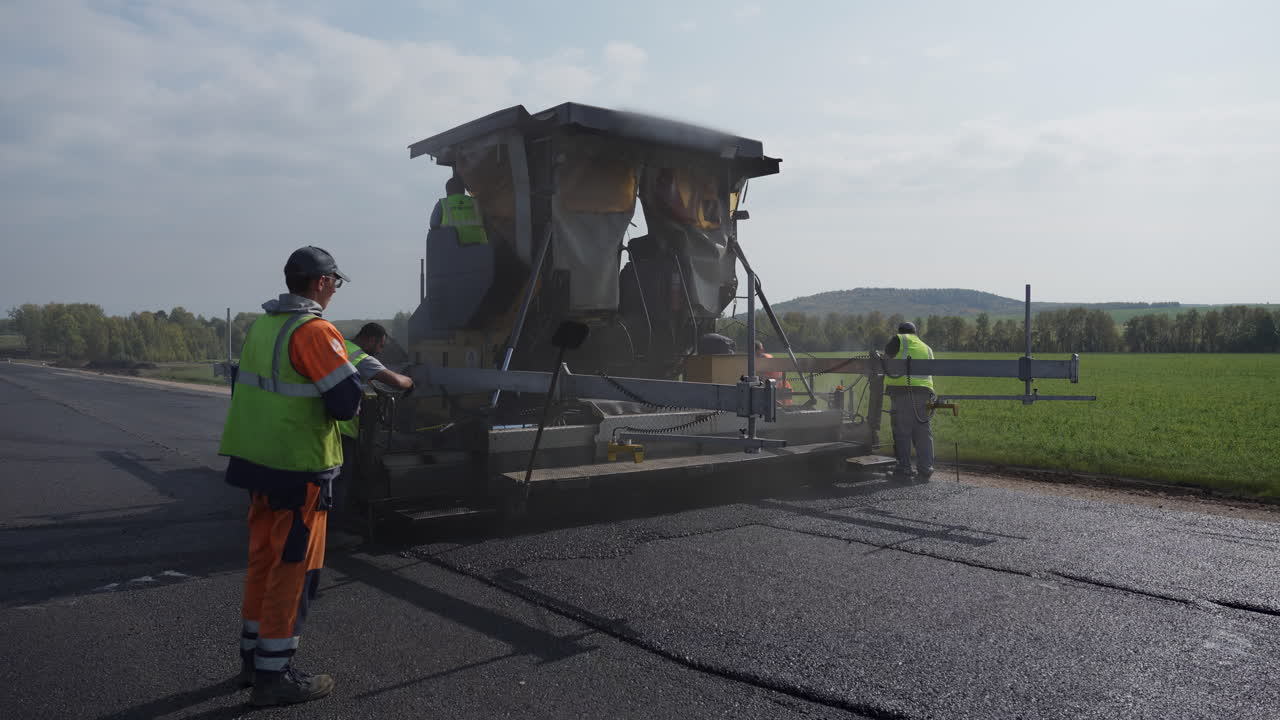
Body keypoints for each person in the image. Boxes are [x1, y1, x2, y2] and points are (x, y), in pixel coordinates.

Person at [219, 246, 361, 706]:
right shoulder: (315, 331)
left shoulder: (263, 326)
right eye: (335, 283)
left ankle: (252, 661)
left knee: (263, 562)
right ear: (320, 283)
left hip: (257, 465)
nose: (335, 291)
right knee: (294, 572)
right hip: (299, 471)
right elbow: (346, 402)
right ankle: (274, 676)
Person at [334, 323, 413, 515]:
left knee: (330, 479)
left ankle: (330, 522)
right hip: (343, 430)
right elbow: (396, 381)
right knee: (341, 480)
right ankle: (336, 526)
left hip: (326, 424)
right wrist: (410, 382)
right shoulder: (360, 357)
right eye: (380, 345)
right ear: (371, 339)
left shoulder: (340, 346)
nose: (380, 350)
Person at [883, 322, 935, 481]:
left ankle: (904, 469)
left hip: (903, 392)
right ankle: (925, 469)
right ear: (915, 333)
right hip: (924, 394)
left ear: (900, 332)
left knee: (902, 431)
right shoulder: (927, 348)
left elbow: (886, 357)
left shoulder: (899, 339)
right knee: (923, 432)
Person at [429, 176, 488, 245]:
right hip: (480, 245)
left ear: (447, 191)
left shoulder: (442, 204)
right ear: (463, 190)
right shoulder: (476, 202)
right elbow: (487, 221)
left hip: (452, 246)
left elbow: (433, 224)